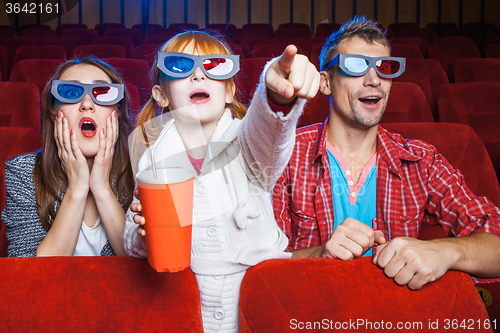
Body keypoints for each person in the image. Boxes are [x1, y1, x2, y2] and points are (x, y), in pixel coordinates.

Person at [273, 16, 500, 290]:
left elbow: (495, 241)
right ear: (325, 83)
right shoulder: (284, 155)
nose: (374, 80)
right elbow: (254, 263)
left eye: (385, 67)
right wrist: (318, 255)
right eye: (355, 66)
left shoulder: (420, 160)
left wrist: (445, 251)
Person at [123, 30, 318, 332]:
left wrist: (277, 92)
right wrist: (144, 237)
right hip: (184, 308)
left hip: (260, 302)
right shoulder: (151, 159)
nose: (198, 75)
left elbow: (268, 132)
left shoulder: (247, 143)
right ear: (161, 94)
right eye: (180, 66)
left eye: (214, 66)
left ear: (228, 93)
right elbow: (130, 241)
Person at [2, 58, 134, 257]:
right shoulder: (24, 172)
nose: (87, 104)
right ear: (55, 112)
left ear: (117, 111)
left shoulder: (142, 171)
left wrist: (101, 188)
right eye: (71, 93)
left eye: (103, 93)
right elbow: (31, 275)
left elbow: (143, 274)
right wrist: (77, 188)